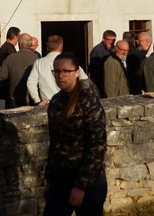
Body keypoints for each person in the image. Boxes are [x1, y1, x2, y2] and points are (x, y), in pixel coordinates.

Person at [44, 52, 107, 215]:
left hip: (88, 182)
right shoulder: (56, 102)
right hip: (60, 178)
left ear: (77, 72)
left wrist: (80, 186)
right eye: (56, 71)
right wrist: (49, 177)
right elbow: (55, 144)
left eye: (66, 71)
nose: (60, 75)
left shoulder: (89, 102)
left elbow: (96, 147)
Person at [27, 35, 87, 105]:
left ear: (48, 47)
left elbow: (31, 83)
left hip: (48, 104)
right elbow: (85, 81)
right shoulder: (69, 62)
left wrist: (37, 101)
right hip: (69, 103)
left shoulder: (39, 63)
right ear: (61, 47)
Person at [0, 33, 39, 108]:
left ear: (20, 44)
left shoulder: (10, 58)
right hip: (31, 98)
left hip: (13, 98)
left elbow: (0, 76)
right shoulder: (37, 59)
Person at [0, 26, 21, 107]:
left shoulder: (5, 47)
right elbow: (13, 65)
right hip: (8, 84)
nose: (18, 40)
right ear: (15, 37)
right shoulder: (8, 49)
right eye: (18, 37)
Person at [89, 30, 116, 98]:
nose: (111, 42)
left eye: (113, 40)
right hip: (101, 84)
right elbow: (95, 71)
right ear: (104, 39)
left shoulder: (113, 49)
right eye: (109, 40)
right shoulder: (97, 50)